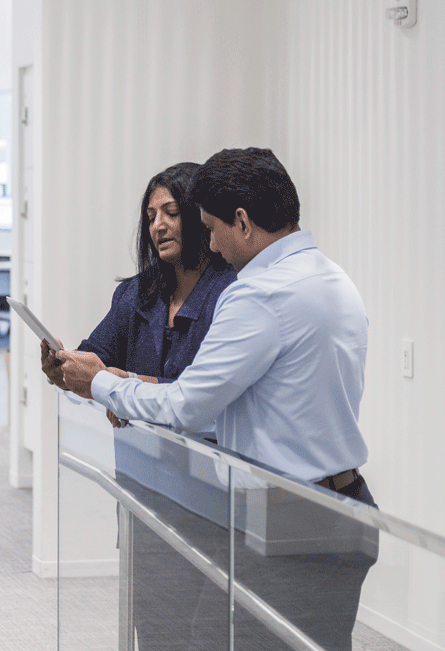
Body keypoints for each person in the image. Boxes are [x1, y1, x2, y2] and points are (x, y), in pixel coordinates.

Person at [55, 147, 377, 650]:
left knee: (216, 637)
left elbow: (185, 406)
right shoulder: (331, 278)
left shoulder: (259, 295)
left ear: (243, 222)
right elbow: (242, 404)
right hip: (345, 504)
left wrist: (101, 385)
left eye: (211, 227)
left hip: (288, 514)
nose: (211, 243)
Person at [41, 161, 237, 651]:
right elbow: (94, 362)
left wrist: (121, 383)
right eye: (151, 215)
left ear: (198, 216)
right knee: (153, 626)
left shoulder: (230, 293)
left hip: (211, 493)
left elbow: (199, 394)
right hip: (143, 487)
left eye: (171, 211)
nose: (158, 225)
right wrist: (63, 369)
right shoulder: (137, 293)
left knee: (206, 632)